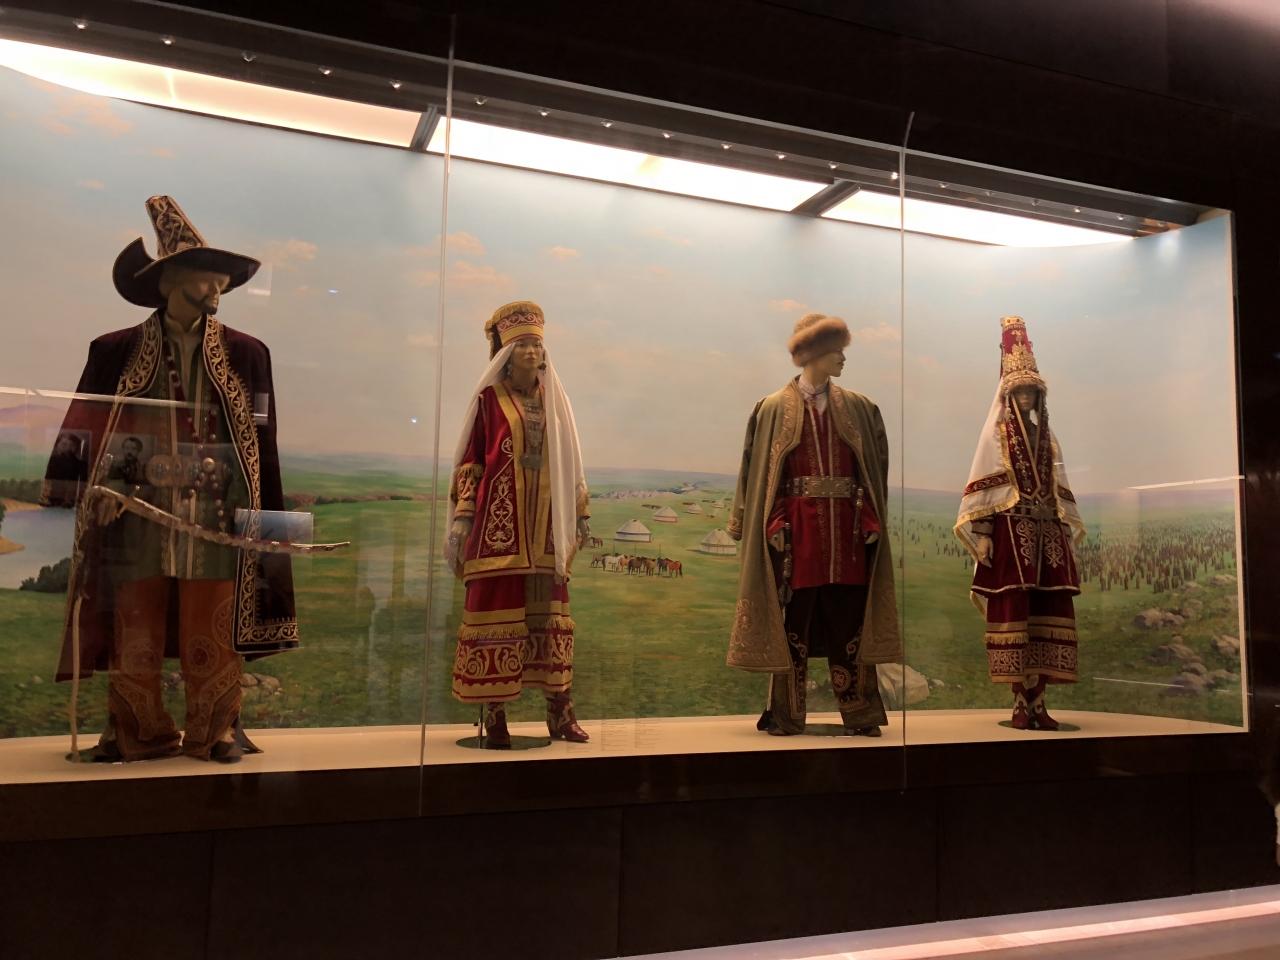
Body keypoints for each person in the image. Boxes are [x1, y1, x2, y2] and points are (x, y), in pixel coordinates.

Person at [43, 195, 297, 763]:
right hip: (136, 513)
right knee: (134, 620)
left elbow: (263, 446)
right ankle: (136, 729)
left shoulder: (247, 354)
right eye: (206, 277)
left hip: (216, 514)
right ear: (170, 282)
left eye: (221, 279)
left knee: (214, 621)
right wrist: (100, 486)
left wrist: (267, 523)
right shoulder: (115, 350)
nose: (217, 289)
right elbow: (90, 424)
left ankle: (216, 729)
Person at [727, 313, 901, 736]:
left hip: (848, 535)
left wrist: (871, 517)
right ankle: (786, 713)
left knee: (850, 622)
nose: (843, 358)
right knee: (794, 625)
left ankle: (860, 713)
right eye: (836, 350)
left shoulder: (860, 408)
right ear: (813, 354)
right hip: (798, 539)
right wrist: (773, 522)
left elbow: (871, 471)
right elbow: (760, 473)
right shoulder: (772, 409)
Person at [445, 301, 591, 747]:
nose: (531, 351)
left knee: (552, 615)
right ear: (507, 354)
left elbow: (571, 459)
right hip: (499, 531)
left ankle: (560, 712)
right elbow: (472, 461)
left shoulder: (557, 402)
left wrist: (580, 513)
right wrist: (463, 518)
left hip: (547, 529)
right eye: (523, 345)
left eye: (536, 345)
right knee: (496, 613)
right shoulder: (489, 402)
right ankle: (495, 713)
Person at [954, 315, 1085, 730]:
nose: (1026, 397)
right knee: (1015, 615)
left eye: (1031, 391)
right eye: (1020, 391)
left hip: (1048, 538)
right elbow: (986, 487)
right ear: (1008, 394)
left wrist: (1065, 531)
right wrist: (984, 535)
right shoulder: (996, 437)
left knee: (1048, 613)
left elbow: (1058, 489)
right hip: (1012, 537)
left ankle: (1039, 701)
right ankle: (1018, 702)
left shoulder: (1048, 438)